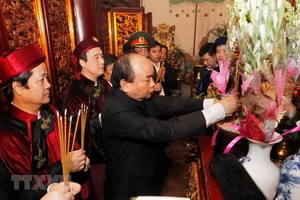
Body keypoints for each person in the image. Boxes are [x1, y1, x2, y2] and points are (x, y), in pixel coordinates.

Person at [101, 53, 240, 199]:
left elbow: (171, 104)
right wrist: (219, 110)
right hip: (129, 187)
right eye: (147, 79)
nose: (153, 84)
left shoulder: (136, 95)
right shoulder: (115, 110)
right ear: (125, 84)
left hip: (149, 173)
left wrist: (212, 103)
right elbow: (166, 130)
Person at [0, 43, 90, 200]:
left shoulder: (50, 111)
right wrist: (63, 167)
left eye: (47, 77)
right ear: (18, 87)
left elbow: (70, 142)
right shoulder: (8, 134)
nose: (49, 85)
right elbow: (20, 185)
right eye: (41, 80)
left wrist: (80, 160)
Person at [63, 36, 110, 200]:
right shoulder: (76, 92)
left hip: (112, 154)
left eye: (102, 56)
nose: (102, 61)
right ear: (82, 63)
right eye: (96, 57)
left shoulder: (105, 84)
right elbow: (76, 132)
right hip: (94, 159)